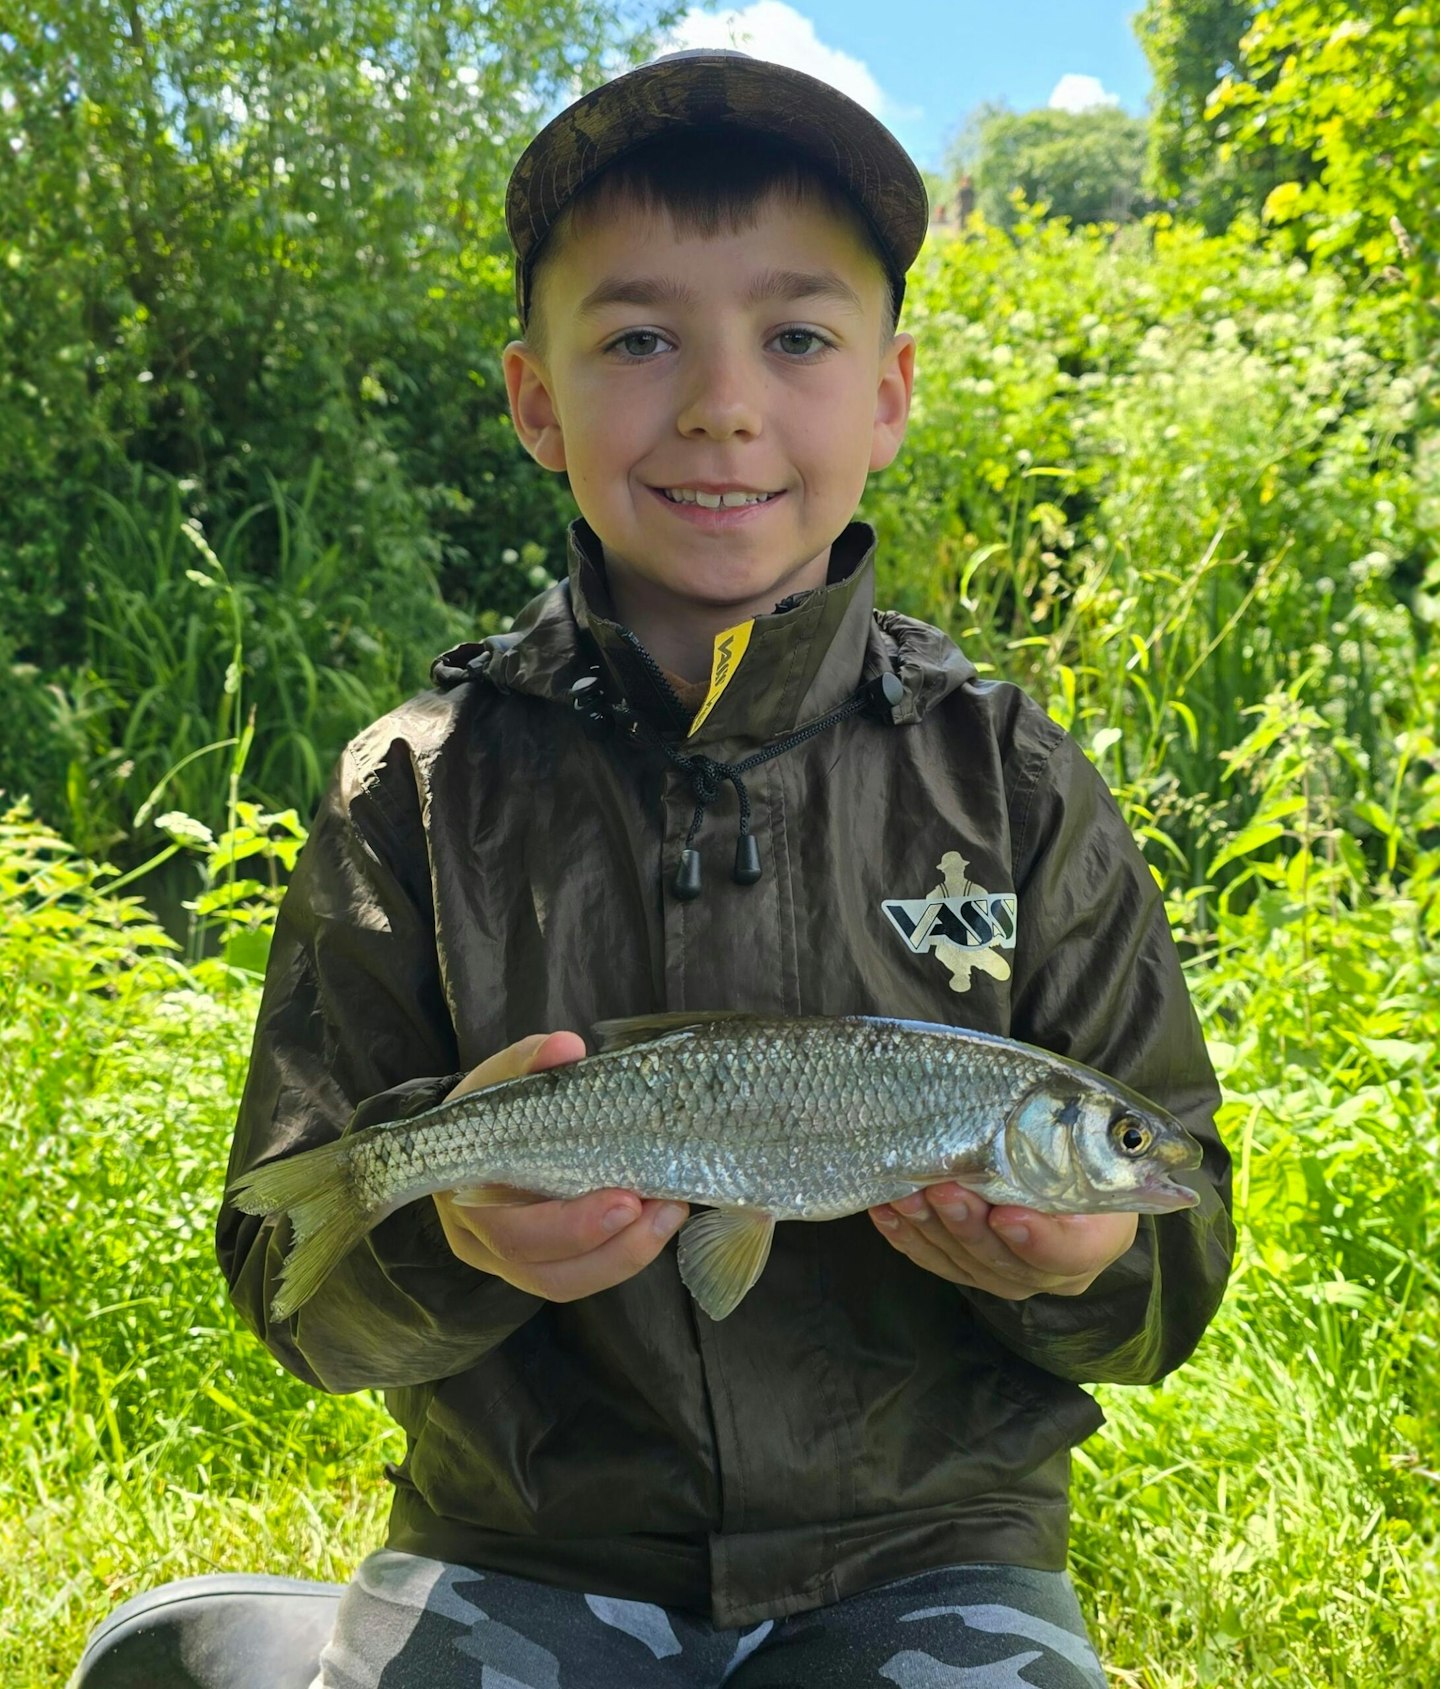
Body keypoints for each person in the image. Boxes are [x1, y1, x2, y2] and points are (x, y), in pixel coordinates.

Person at [73, 49, 1234, 1689]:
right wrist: (455, 1236)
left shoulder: (1017, 784)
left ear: (891, 390)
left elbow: (1176, 1233)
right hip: (524, 1536)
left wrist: (1099, 1255)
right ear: (536, 399)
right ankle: (300, 1640)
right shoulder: (414, 790)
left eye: (798, 336)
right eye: (637, 338)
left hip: (931, 1545)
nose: (722, 404)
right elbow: (299, 1292)